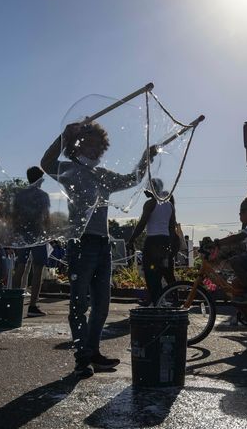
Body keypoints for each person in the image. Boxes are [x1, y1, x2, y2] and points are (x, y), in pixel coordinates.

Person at [41, 121, 157, 378]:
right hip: (80, 244)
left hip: (102, 244)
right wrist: (64, 136)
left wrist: (146, 157)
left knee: (102, 306)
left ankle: (92, 351)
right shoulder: (69, 170)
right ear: (77, 145)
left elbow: (133, 178)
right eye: (89, 144)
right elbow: (46, 163)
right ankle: (82, 358)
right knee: (79, 304)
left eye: (98, 146)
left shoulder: (102, 175)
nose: (95, 150)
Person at [127, 179, 179, 305]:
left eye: (147, 189)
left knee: (151, 273)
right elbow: (172, 228)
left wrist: (131, 239)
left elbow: (142, 223)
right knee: (167, 272)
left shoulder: (150, 203)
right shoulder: (170, 205)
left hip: (153, 241)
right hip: (165, 240)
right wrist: (171, 246)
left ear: (152, 189)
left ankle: (156, 302)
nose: (145, 192)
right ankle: (175, 300)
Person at [11, 166, 51, 317]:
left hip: (22, 234)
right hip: (38, 234)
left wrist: (15, 233)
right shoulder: (43, 196)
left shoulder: (19, 195)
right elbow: (46, 217)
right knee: (38, 269)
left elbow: (14, 216)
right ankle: (33, 306)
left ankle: (14, 303)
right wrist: (48, 234)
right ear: (40, 179)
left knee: (20, 266)